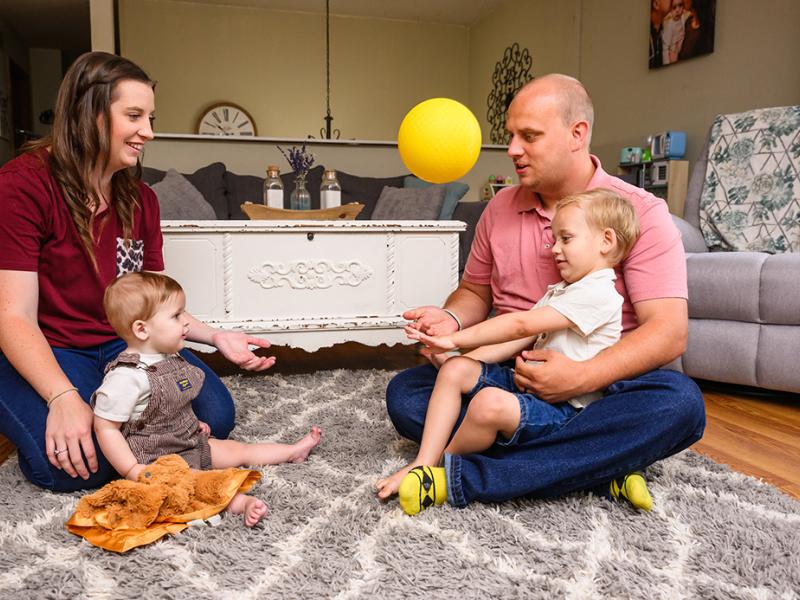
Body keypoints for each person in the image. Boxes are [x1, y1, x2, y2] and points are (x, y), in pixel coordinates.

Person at [384, 73, 706, 512]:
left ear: (578, 135)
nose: (513, 149)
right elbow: (474, 292)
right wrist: (453, 321)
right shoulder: (499, 208)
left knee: (681, 405)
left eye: (529, 136)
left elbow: (668, 331)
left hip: (605, 386)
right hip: (509, 369)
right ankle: (599, 463)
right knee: (405, 394)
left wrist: (582, 376)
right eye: (511, 136)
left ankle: (474, 474)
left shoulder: (639, 213)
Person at [0, 51, 275, 493]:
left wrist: (216, 336)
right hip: (50, 345)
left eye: (150, 116)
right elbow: (12, 316)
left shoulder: (140, 199)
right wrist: (62, 396)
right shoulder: (21, 186)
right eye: (134, 115)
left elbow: (155, 304)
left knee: (215, 418)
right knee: (75, 468)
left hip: (121, 342)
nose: (148, 132)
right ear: (88, 114)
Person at [377, 190, 651, 515]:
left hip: (568, 412)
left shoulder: (600, 293)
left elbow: (520, 325)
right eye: (554, 239)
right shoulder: (563, 291)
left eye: (566, 239)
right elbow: (517, 341)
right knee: (454, 371)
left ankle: (438, 473)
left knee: (487, 404)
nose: (555, 249)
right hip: (529, 388)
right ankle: (422, 462)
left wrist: (455, 339)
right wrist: (461, 358)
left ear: (606, 241)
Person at [94, 272, 322, 526]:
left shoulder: (169, 357)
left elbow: (170, 406)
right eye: (176, 316)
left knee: (238, 450)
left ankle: (291, 452)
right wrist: (131, 470)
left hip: (189, 442)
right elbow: (106, 427)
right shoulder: (125, 377)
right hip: (158, 462)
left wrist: (192, 422)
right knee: (199, 484)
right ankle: (241, 502)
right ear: (142, 329)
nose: (186, 323)